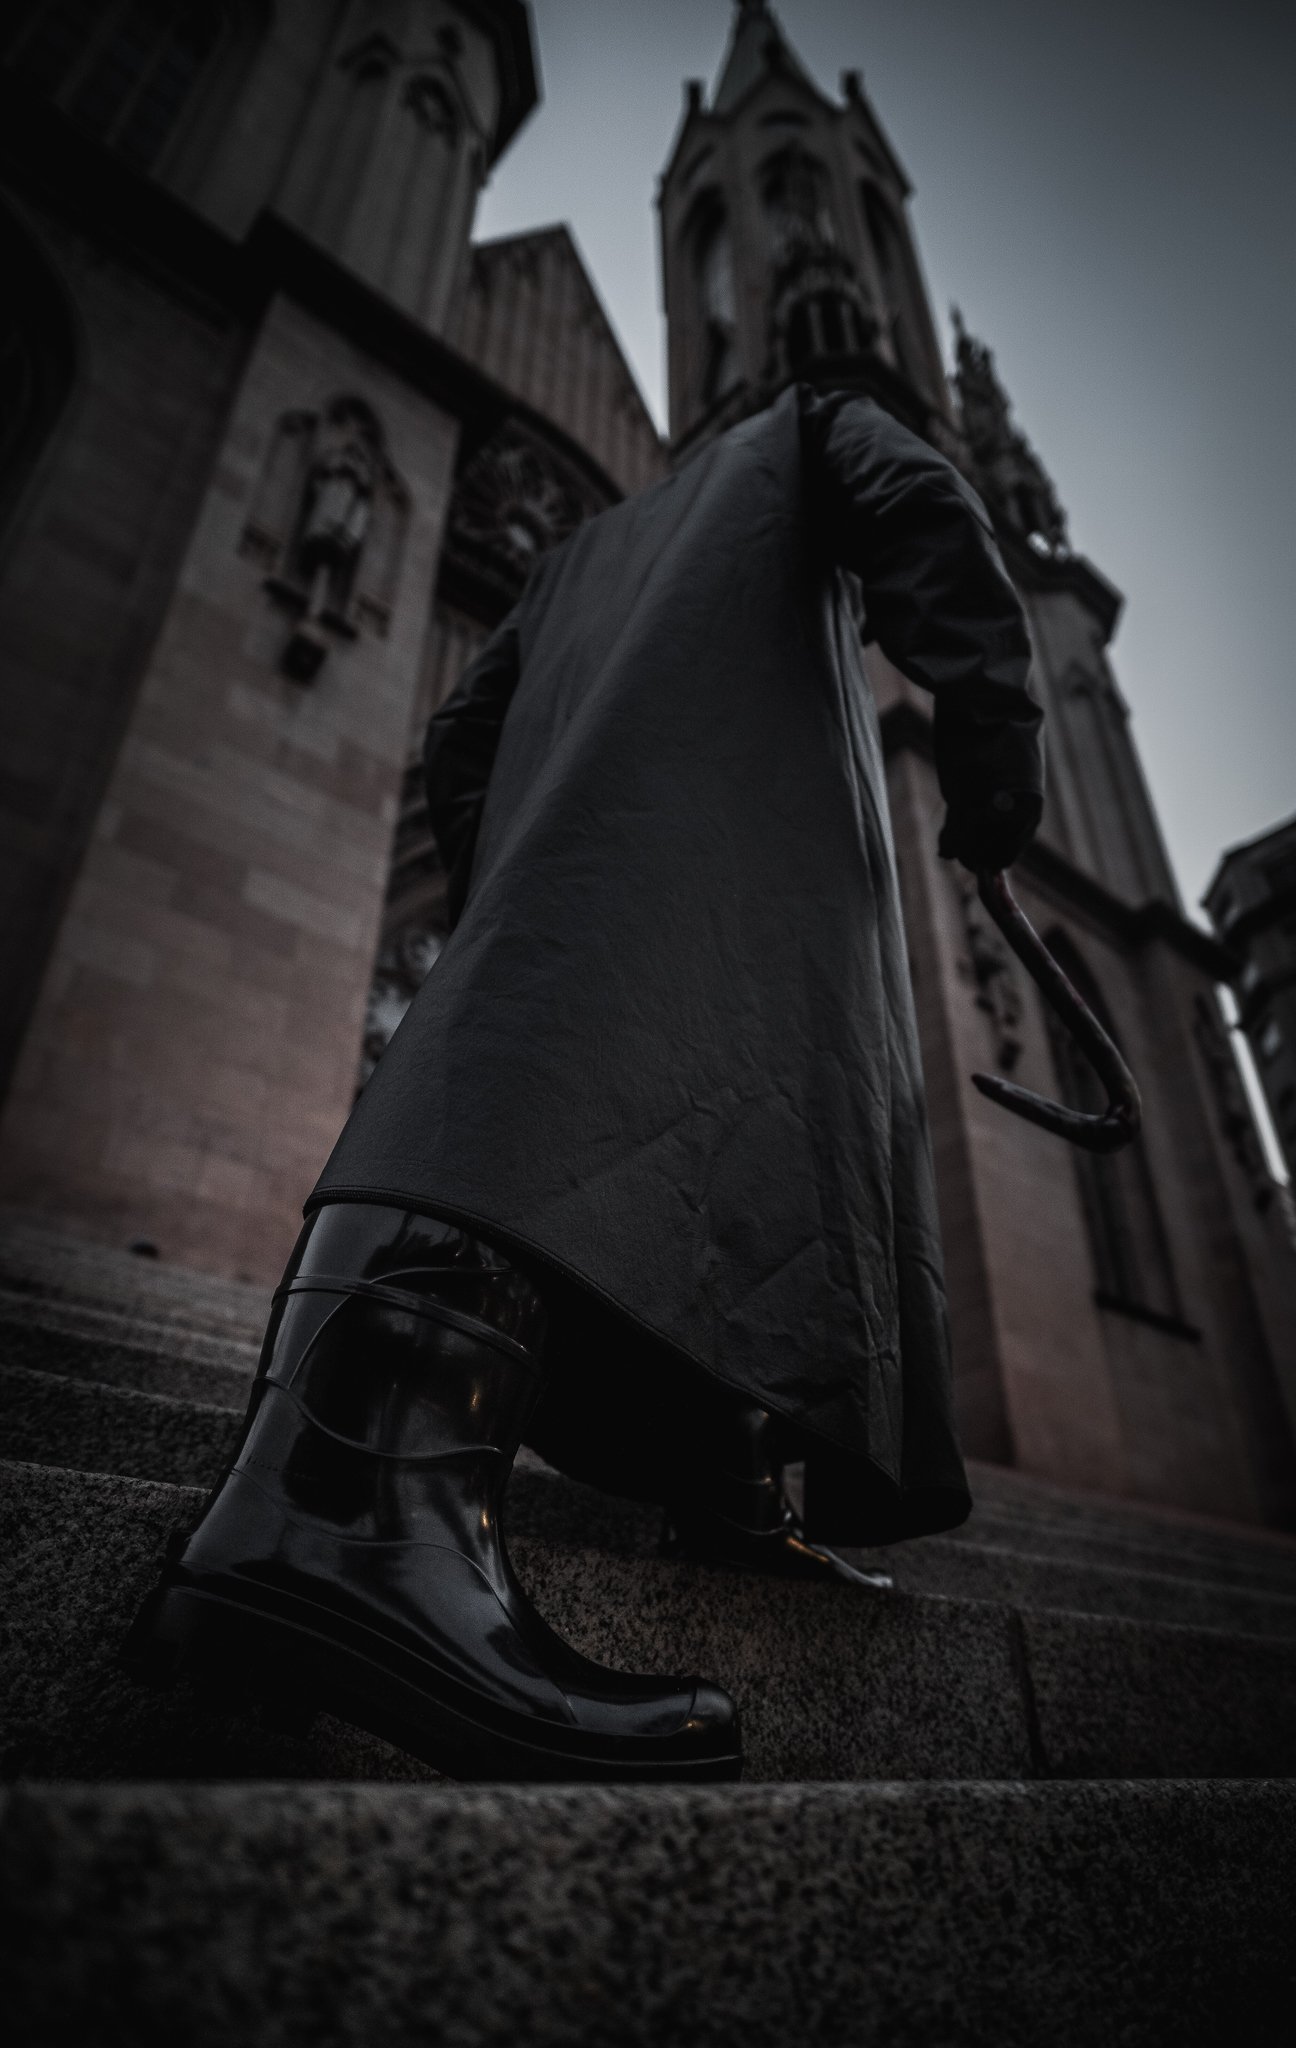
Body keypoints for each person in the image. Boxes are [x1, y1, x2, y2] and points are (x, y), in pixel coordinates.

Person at [125, 384, 1043, 1783]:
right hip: (751, 856)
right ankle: (348, 1517)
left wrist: (519, 880)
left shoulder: (571, 562)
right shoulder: (807, 431)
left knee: (725, 1148)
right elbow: (920, 499)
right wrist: (990, 737)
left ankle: (724, 1494)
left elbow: (459, 735)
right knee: (760, 1133)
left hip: (596, 845)